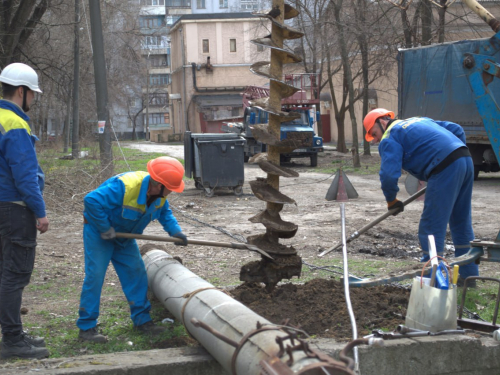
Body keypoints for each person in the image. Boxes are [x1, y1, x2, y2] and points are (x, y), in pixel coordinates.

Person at [77, 156, 189, 343]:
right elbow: (91, 200)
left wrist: (176, 232)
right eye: (171, 188)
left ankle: (142, 321)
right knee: (95, 276)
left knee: (136, 274)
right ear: (158, 184)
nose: (172, 191)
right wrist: (105, 228)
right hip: (100, 234)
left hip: (124, 237)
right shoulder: (125, 186)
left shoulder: (160, 197)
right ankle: (87, 328)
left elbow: (165, 213)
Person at [363, 108, 478, 285]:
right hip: (465, 160)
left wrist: (391, 201)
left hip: (444, 167)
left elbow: (388, 175)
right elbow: (457, 130)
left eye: (374, 133)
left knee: (431, 226)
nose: (376, 139)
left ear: (383, 122)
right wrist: (454, 159)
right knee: (460, 221)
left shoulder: (390, 137)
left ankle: (431, 279)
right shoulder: (418, 120)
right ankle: (469, 276)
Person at [0, 63, 50, 359]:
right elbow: (25, 175)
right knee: (15, 274)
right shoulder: (15, 124)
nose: (34, 100)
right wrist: (40, 212)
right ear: (22, 91)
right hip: (14, 209)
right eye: (33, 94)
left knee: (4, 272)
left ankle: (13, 333)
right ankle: (13, 341)